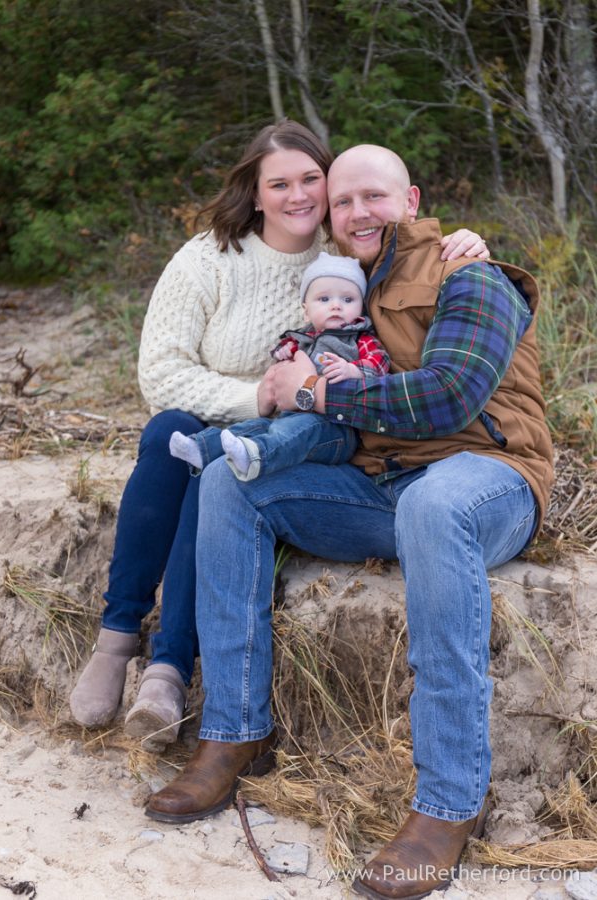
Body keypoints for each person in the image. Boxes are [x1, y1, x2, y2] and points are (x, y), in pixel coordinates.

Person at [145, 144, 553, 900]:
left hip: (488, 480)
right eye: (344, 202)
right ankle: (233, 735)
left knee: (435, 503)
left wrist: (315, 394)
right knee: (232, 482)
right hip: (384, 486)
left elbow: (450, 395)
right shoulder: (345, 287)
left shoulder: (472, 275)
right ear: (330, 217)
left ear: (411, 200)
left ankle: (448, 802)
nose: (359, 212)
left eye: (375, 196)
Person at [68, 120, 490, 749]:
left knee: (219, 474)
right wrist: (257, 398)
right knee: (169, 434)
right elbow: (160, 372)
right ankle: (117, 636)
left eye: (311, 180)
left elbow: (405, 241)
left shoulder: (347, 253)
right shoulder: (207, 258)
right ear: (256, 193)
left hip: (297, 432)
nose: (299, 196)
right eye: (279, 184)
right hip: (220, 414)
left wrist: (465, 239)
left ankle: (167, 670)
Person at [169, 251, 389, 482]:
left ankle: (257, 456)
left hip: (337, 430)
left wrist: (354, 370)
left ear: (361, 308)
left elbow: (380, 363)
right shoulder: (301, 338)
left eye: (348, 300)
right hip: (289, 419)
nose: (336, 306)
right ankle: (203, 448)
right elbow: (282, 358)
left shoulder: (358, 338)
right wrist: (283, 353)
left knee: (300, 429)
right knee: (260, 426)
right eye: (324, 299)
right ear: (306, 310)